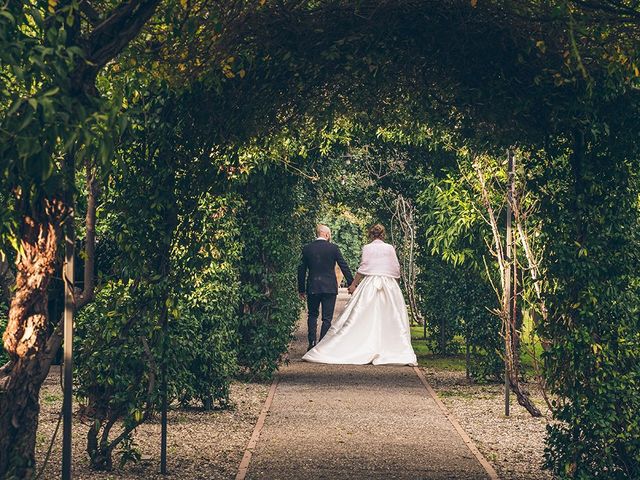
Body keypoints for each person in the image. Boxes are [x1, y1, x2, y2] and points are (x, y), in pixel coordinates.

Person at [302, 223, 417, 366]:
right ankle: (390, 347)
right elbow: (395, 267)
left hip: (366, 284)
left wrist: (354, 284)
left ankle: (319, 343)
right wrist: (395, 286)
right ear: (383, 234)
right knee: (390, 315)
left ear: (371, 234)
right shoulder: (390, 248)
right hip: (388, 284)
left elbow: (363, 267)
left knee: (360, 315)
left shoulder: (367, 248)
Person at [297, 225, 354, 351]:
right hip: (329, 287)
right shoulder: (333, 248)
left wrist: (301, 289)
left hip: (313, 286)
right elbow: (343, 265)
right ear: (327, 235)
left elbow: (301, 270)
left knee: (312, 315)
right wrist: (352, 283)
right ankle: (322, 345)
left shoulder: (307, 249)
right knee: (327, 318)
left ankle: (312, 342)